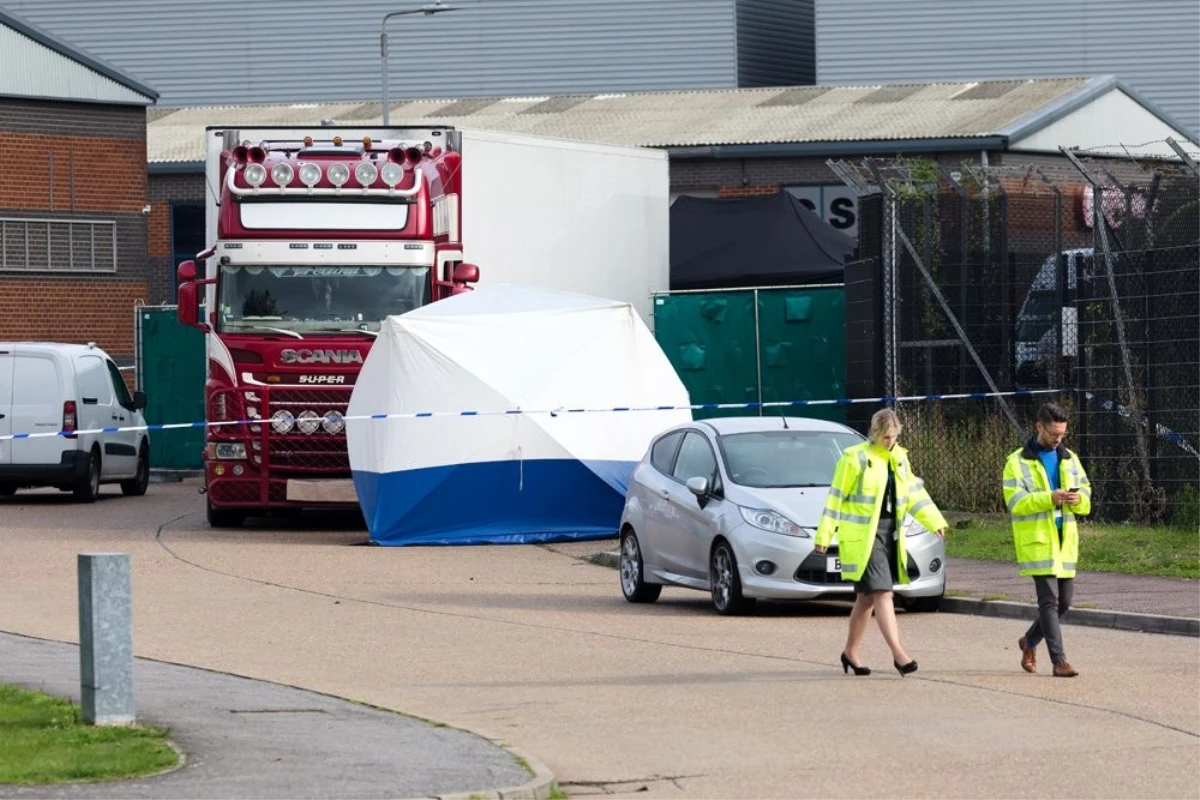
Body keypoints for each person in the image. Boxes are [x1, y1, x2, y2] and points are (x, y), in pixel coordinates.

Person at [814, 408, 948, 677]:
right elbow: (835, 499)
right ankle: (899, 654)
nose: (891, 442)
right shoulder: (854, 459)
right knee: (883, 592)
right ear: (873, 432)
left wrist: (935, 520)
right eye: (886, 437)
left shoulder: (899, 458)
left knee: (867, 597)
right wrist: (824, 536)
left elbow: (913, 492)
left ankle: (850, 652)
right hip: (864, 536)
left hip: (890, 534)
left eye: (894, 437)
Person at [1002, 402, 1091, 678]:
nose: (1058, 439)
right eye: (1054, 434)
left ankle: (1029, 641)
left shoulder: (1070, 458)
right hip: (1038, 542)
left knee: (1064, 602)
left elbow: (1086, 498)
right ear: (1039, 427)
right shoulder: (1016, 462)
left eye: (1062, 434)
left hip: (1065, 543)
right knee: (1049, 602)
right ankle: (1059, 661)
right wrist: (1048, 498)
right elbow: (1015, 502)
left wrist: (1078, 499)